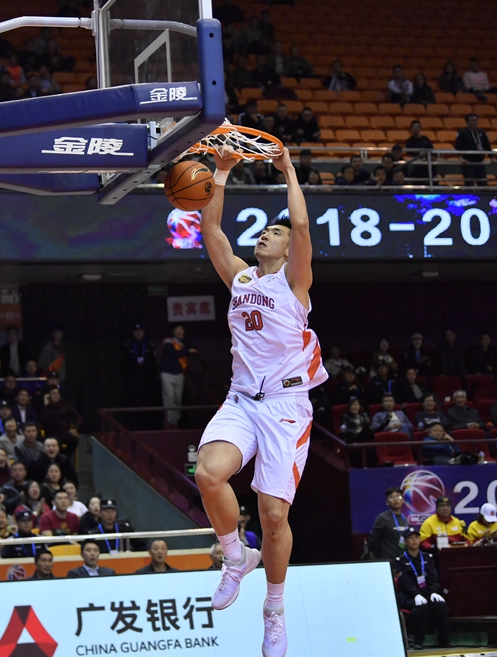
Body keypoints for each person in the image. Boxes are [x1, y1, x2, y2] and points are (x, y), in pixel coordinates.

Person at [194, 145, 327, 657]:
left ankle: (274, 611)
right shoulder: (241, 278)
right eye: (264, 232)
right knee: (208, 473)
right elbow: (211, 234)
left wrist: (289, 169)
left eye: (274, 233)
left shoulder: (295, 283)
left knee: (273, 515)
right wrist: (220, 174)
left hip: (286, 408)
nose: (266, 235)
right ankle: (235, 557)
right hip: (242, 401)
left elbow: (301, 226)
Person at [393, 528, 451, 651]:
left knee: (441, 606)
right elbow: (405, 583)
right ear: (406, 541)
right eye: (410, 538)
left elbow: (433, 577)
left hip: (427, 593)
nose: (414, 541)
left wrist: (434, 592)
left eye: (416, 538)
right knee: (420, 608)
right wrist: (416, 594)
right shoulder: (400, 561)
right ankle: (418, 641)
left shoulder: (427, 557)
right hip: (409, 596)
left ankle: (444, 640)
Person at [160, 325, 195, 428]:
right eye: (178, 330)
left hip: (179, 374)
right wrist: (188, 351)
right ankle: (168, 423)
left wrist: (188, 348)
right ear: (173, 331)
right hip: (167, 374)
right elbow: (173, 353)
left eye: (182, 330)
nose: (180, 332)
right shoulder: (168, 341)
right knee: (169, 399)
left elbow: (193, 347)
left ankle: (175, 423)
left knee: (177, 400)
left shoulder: (184, 343)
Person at [369, 487, 409, 561]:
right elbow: (374, 541)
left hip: (402, 560)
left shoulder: (404, 518)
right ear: (387, 502)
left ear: (403, 500)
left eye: (398, 496)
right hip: (387, 560)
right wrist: (379, 557)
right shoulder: (382, 518)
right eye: (391, 497)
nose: (395, 499)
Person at [454, 114, 491, 187]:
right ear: (467, 122)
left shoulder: (481, 132)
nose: (474, 122)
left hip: (480, 162)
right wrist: (461, 158)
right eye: (472, 120)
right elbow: (458, 146)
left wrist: (492, 157)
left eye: (476, 120)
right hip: (468, 162)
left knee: (483, 183)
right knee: (469, 184)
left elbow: (487, 145)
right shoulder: (463, 132)